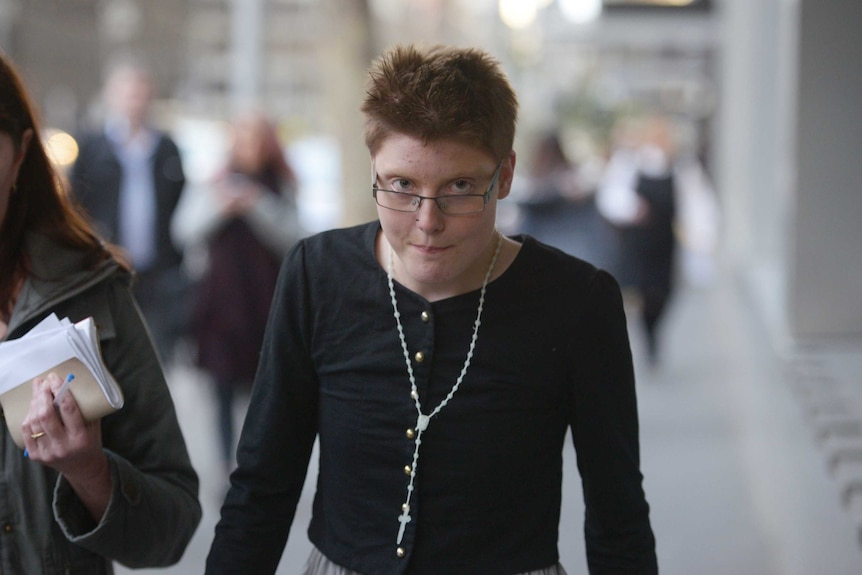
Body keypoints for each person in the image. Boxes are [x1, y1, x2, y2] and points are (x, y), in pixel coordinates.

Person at [206, 44, 657, 574]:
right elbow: (262, 484)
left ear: (505, 176)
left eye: (460, 187)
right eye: (401, 186)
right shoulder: (316, 273)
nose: (427, 222)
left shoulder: (578, 301)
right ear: (374, 168)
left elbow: (617, 513)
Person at [0, 52, 201, 572]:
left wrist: (90, 473)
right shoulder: (98, 148)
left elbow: (172, 527)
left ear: (21, 154)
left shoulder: (92, 294)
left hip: (152, 278)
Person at [171, 110, 305, 474]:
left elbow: (295, 238)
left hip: (265, 305)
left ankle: (259, 460)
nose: (249, 146)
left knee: (266, 389)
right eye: (242, 137)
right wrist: (222, 206)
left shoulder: (281, 185)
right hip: (219, 306)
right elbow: (183, 232)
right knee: (220, 389)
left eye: (256, 138)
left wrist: (256, 203)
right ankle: (223, 464)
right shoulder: (213, 183)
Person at [69, 56, 188, 366]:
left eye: (141, 91)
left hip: (157, 270)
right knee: (110, 354)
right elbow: (76, 204)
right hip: (107, 267)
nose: (135, 100)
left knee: (158, 355)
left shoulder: (166, 148)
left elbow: (179, 201)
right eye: (128, 92)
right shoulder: (93, 146)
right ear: (112, 95)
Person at [597, 114, 720, 365]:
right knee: (643, 292)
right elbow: (611, 196)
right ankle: (648, 336)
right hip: (638, 244)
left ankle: (654, 330)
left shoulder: (681, 167)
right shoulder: (630, 163)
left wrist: (702, 238)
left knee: (664, 292)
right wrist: (633, 209)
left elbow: (698, 204)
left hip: (665, 243)